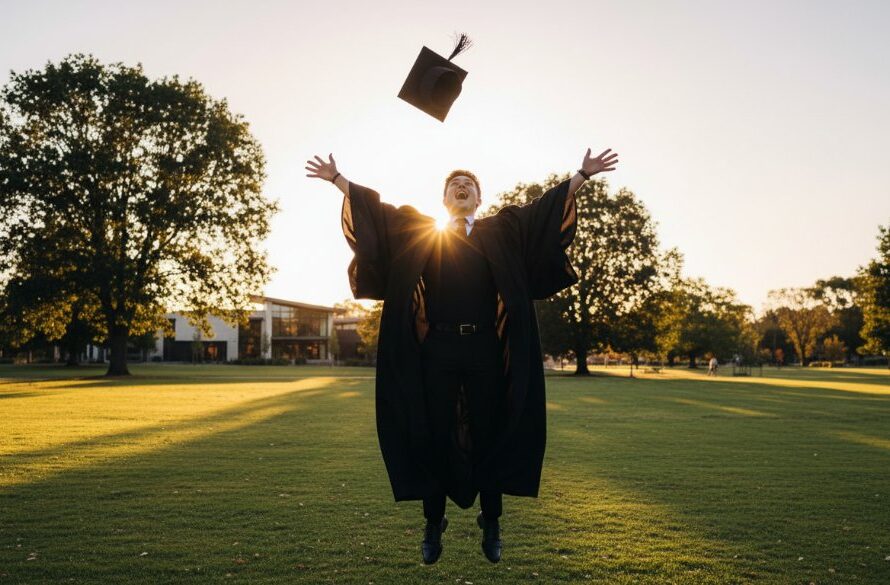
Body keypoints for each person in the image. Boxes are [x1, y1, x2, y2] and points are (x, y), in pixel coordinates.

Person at [305, 147, 618, 564]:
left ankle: (492, 521)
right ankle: (433, 523)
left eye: (469, 184)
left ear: (479, 198)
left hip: (488, 348)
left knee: (490, 430)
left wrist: (582, 174)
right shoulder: (420, 232)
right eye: (455, 185)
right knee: (431, 430)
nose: (462, 187)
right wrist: (338, 180)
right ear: (445, 199)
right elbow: (378, 216)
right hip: (437, 350)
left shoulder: (502, 230)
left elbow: (542, 212)